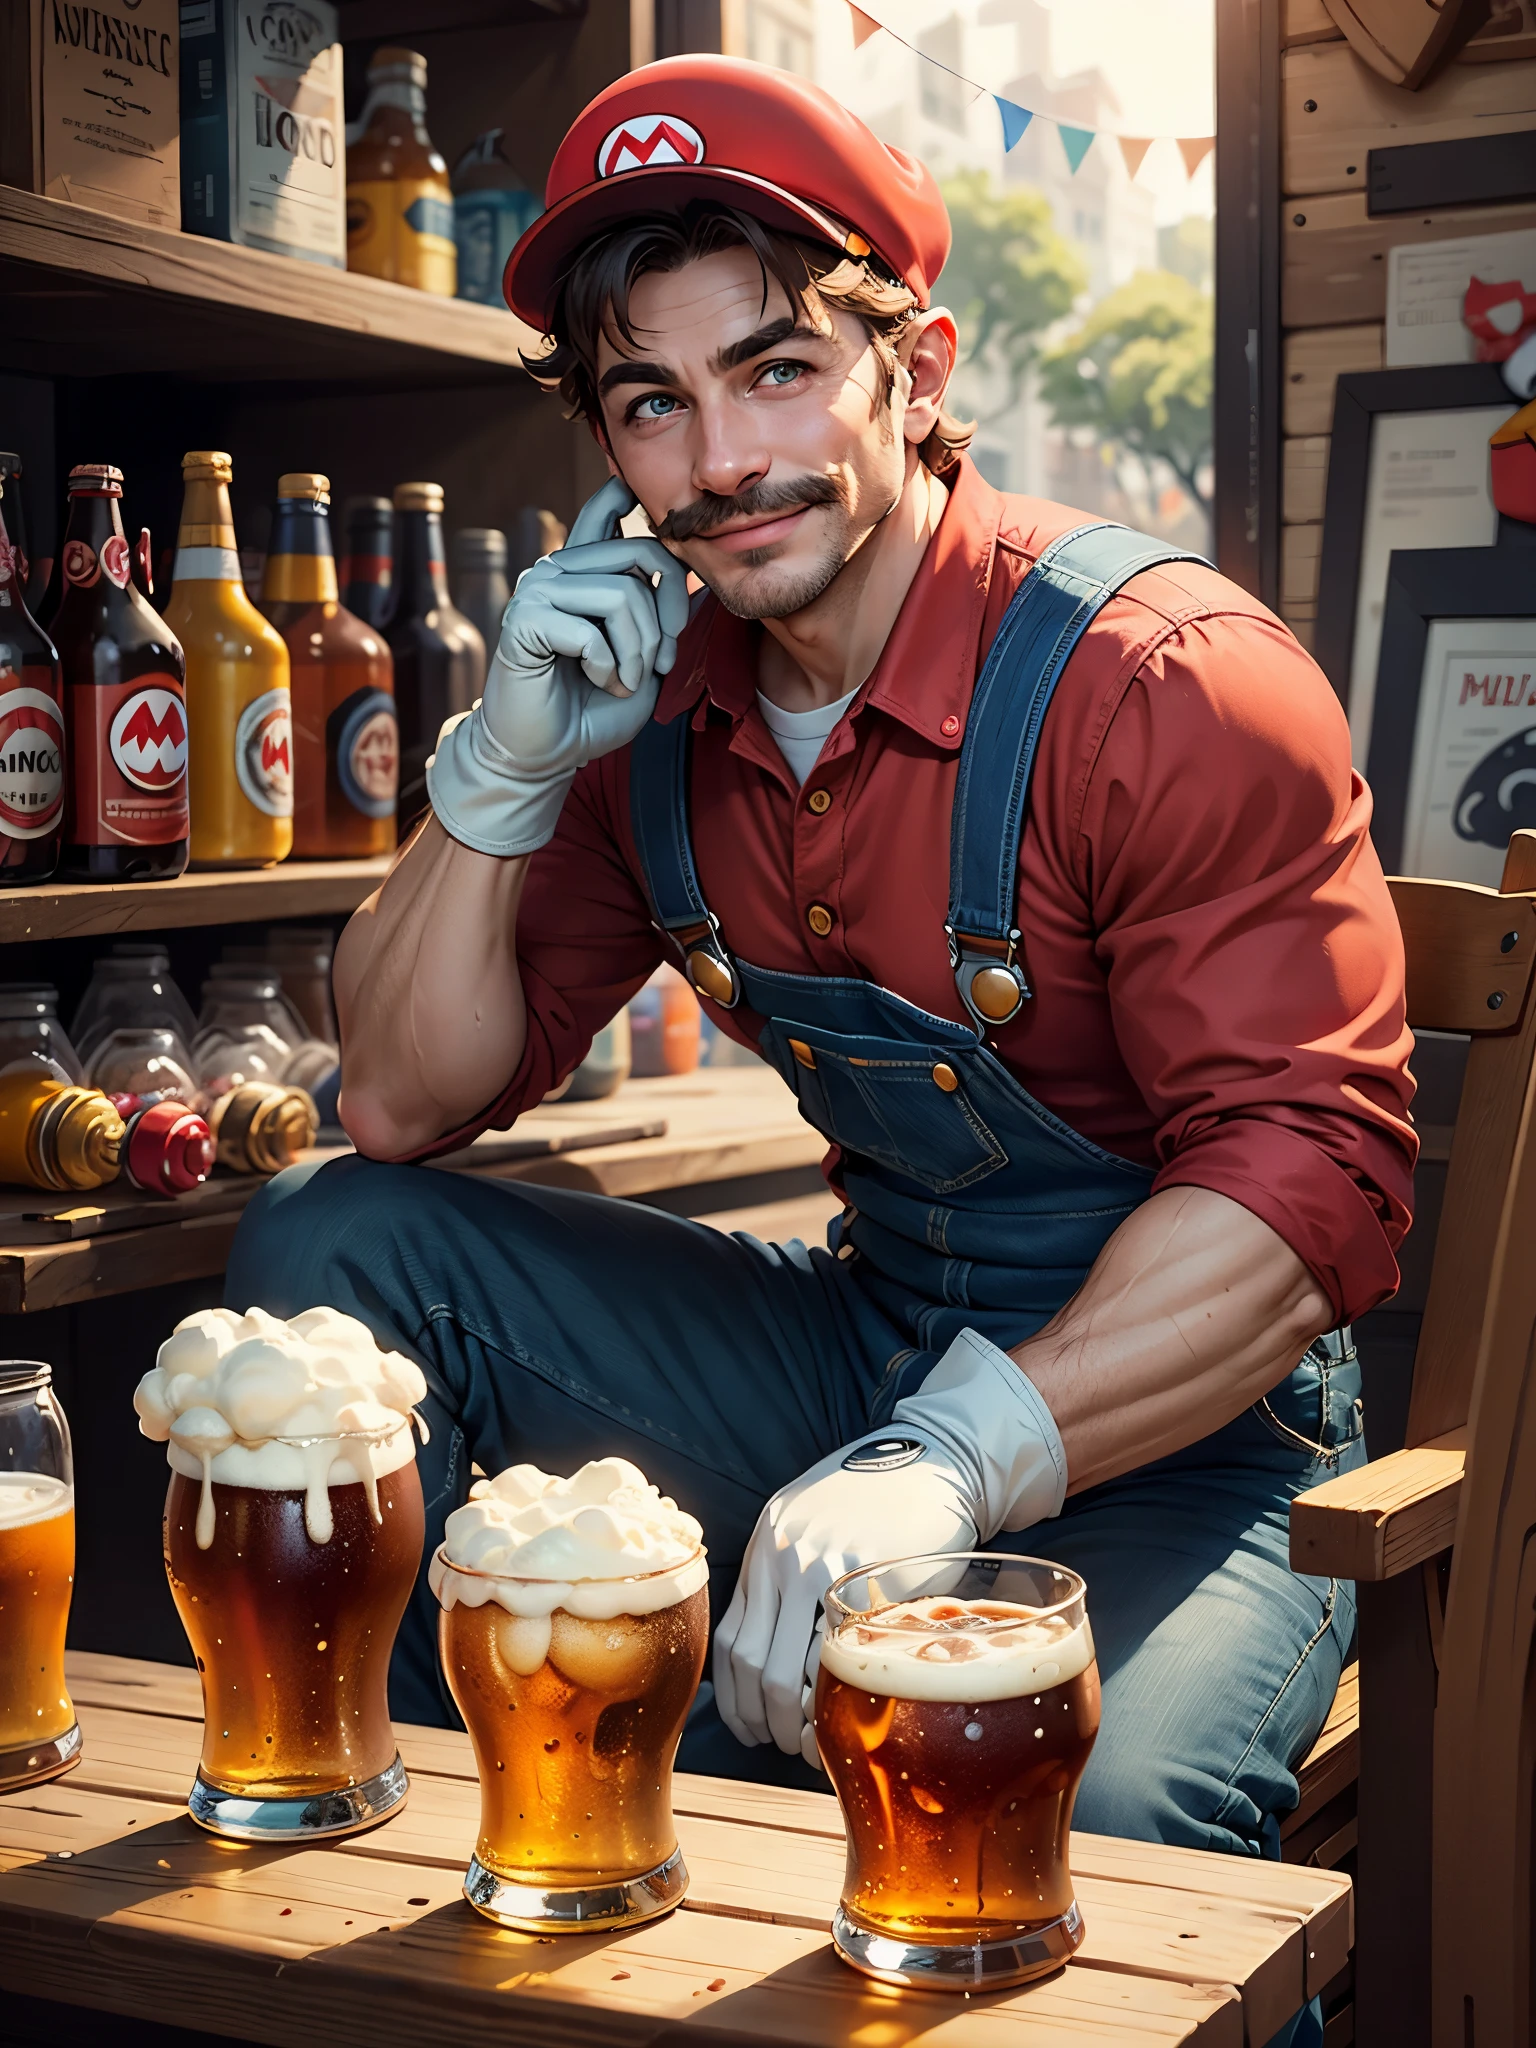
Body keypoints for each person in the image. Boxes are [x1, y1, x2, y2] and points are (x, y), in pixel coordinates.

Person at [230, 49, 1412, 1997]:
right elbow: (402, 1100)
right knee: (328, 1243)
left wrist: (954, 1451)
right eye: (652, 402)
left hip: (1198, 1433)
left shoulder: (1167, 682)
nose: (719, 463)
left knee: (1067, 1816)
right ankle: (457, 1936)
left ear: (918, 368)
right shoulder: (652, 706)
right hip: (864, 1335)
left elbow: (1314, 1189)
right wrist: (505, 773)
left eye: (776, 369)